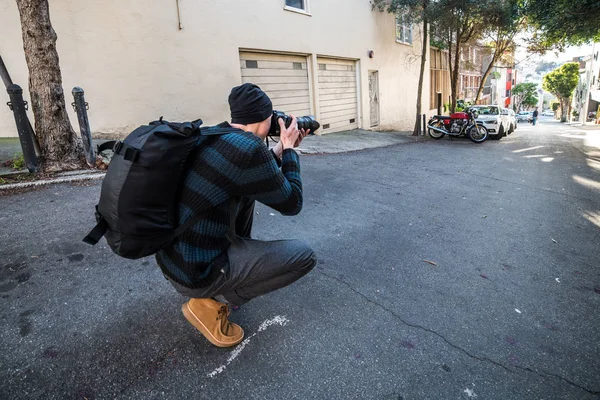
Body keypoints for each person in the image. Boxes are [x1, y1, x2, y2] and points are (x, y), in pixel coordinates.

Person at [156, 83, 317, 347]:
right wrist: (289, 150)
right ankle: (209, 303)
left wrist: (278, 151)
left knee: (248, 194)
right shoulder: (249, 150)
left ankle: (228, 272)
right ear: (264, 120)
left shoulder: (214, 135)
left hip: (173, 260)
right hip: (196, 274)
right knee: (304, 256)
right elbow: (292, 203)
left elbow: (251, 172)